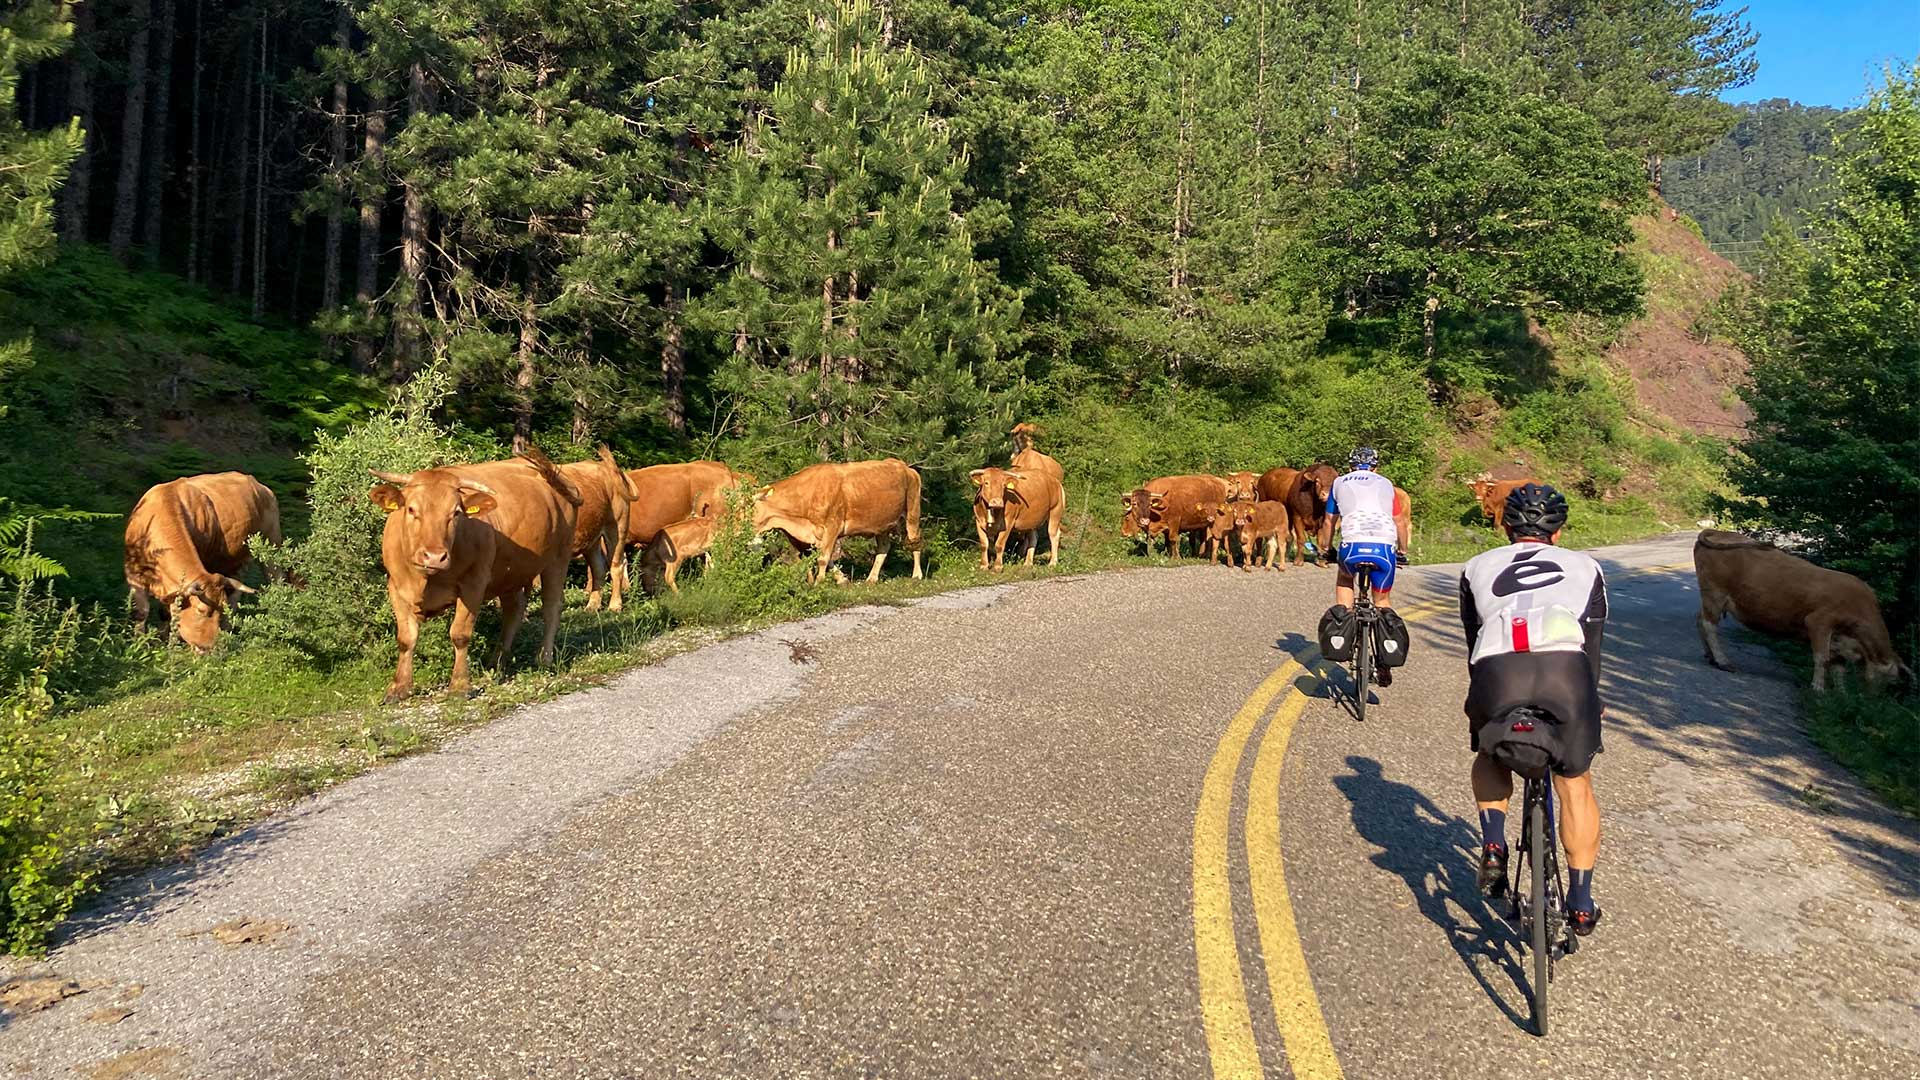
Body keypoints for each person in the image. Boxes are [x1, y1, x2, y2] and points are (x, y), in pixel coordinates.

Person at [1458, 483, 1608, 936]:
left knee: (1489, 753)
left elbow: (1474, 641)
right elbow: (1593, 646)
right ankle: (1581, 902)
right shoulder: (1588, 567)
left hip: (1498, 672)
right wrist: (1591, 702)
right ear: (1558, 533)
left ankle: (1492, 842)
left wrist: (1484, 704)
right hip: (1565, 672)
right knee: (1574, 780)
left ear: (1504, 526)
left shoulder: (1475, 567)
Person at [1324, 447, 1406, 685]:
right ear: (1375, 467)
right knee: (1382, 602)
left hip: (1352, 548)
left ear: (1350, 466)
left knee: (1345, 578)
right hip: (1383, 549)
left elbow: (1330, 520)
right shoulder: (1387, 484)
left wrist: (1326, 548)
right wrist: (1402, 551)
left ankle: (1344, 626)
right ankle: (1384, 662)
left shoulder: (1339, 483)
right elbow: (1399, 521)